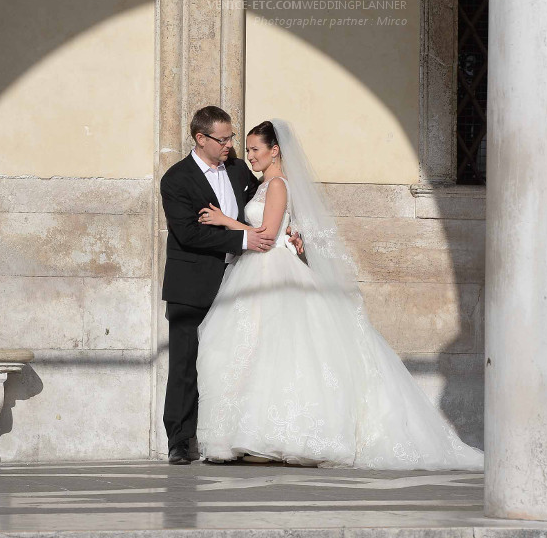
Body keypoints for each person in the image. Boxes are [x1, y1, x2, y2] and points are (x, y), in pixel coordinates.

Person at [195, 118, 484, 470]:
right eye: (249, 150)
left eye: (256, 150)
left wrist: (225, 221)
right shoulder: (264, 185)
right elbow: (283, 232)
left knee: (278, 351)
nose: (250, 156)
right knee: (257, 350)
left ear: (275, 151)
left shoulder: (277, 186)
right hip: (261, 270)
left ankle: (279, 434)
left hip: (271, 269)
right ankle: (252, 434)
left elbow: (266, 235)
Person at [159, 106, 303, 465]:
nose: (230, 145)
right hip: (193, 283)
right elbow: (189, 233)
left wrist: (288, 231)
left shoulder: (240, 169)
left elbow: (268, 203)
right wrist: (244, 240)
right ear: (200, 139)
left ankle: (235, 435)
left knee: (234, 360)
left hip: (240, 281)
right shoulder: (176, 179)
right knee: (185, 363)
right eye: (222, 139)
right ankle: (179, 440)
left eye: (231, 138)